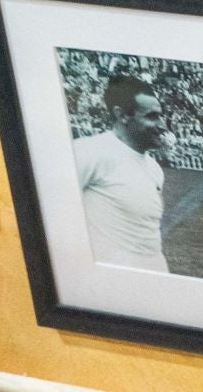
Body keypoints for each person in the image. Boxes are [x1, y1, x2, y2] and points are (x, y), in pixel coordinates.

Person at [72, 75, 169, 272]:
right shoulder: (90, 152)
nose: (162, 125)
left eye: (161, 115)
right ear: (122, 115)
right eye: (152, 116)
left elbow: (148, 237)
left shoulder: (154, 168)